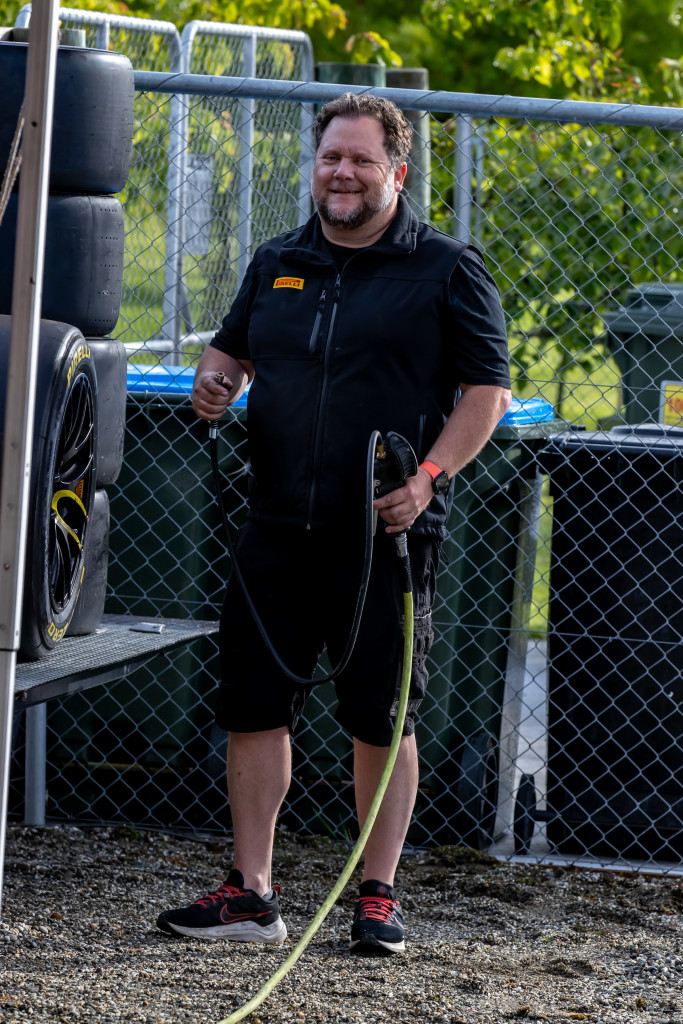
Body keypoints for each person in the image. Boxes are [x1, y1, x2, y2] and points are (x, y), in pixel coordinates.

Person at [157, 93, 511, 955]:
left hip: (384, 534)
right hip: (276, 522)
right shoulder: (278, 260)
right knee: (252, 707)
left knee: (380, 717)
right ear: (313, 167)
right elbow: (232, 349)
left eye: (359, 160)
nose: (341, 173)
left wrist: (427, 480)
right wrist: (215, 380)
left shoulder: (446, 269)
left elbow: (487, 393)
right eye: (329, 158)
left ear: (397, 171)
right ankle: (252, 894)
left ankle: (377, 897)